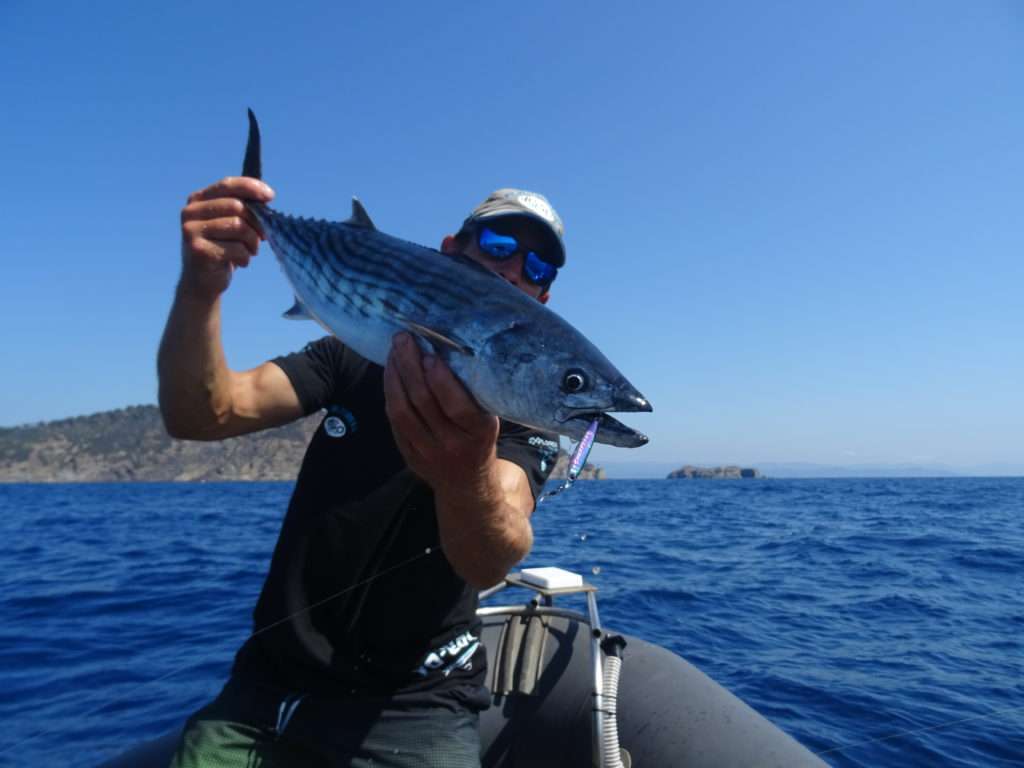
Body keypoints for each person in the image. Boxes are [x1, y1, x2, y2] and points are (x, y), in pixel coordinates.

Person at [159, 176, 567, 767]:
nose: (514, 271)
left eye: (538, 268)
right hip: (266, 689)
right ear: (451, 250)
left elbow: (490, 557)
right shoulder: (356, 350)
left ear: (543, 300)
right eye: (499, 245)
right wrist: (200, 290)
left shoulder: (528, 419)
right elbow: (203, 413)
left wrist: (463, 476)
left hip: (419, 705)